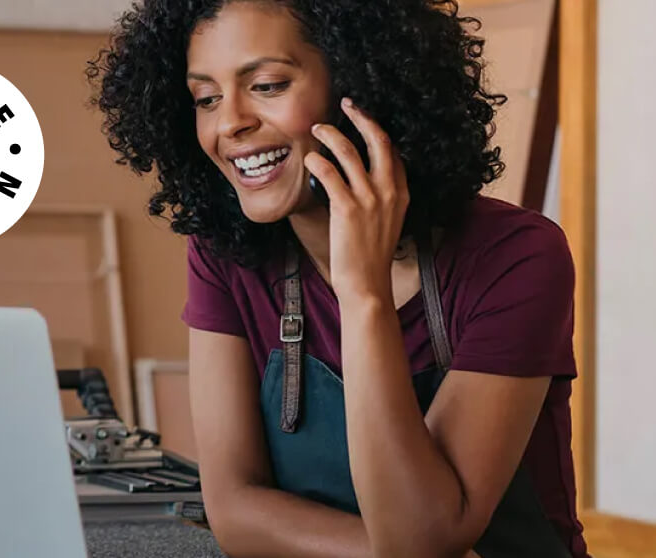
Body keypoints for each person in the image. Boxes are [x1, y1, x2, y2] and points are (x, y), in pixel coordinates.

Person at [86, 1, 588, 556]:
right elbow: (233, 508)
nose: (229, 123)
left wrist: (363, 293)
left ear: (360, 88)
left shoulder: (515, 256)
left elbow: (425, 535)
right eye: (206, 98)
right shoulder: (225, 255)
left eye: (269, 85)